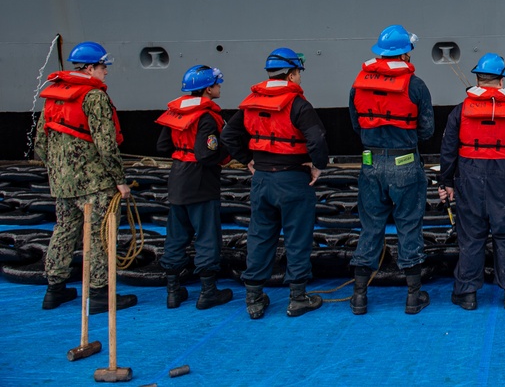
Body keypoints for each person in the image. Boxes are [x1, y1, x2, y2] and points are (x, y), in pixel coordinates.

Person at [220, 48, 328, 318]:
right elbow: (317, 139)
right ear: (291, 74)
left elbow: (229, 135)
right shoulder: (299, 105)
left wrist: (248, 160)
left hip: (263, 180)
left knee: (260, 236)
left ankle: (254, 299)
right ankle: (298, 297)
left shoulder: (251, 103)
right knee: (297, 236)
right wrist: (317, 166)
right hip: (293, 178)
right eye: (298, 74)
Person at [35, 41, 138, 313]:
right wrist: (120, 180)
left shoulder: (51, 96)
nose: (106, 73)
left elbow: (40, 145)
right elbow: (106, 144)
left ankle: (53, 290)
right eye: (104, 67)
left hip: (61, 184)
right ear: (91, 67)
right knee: (99, 236)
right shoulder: (94, 97)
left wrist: (58, 172)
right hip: (94, 184)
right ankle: (100, 295)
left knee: (63, 231)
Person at [438, 53, 505, 311]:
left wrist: (446, 182)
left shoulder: (460, 111)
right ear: (501, 80)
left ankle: (467, 294)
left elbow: (448, 149)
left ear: (477, 78)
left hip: (470, 176)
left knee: (471, 235)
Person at [348, 25, 434, 315]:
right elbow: (427, 130)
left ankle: (359, 297)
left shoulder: (358, 84)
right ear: (405, 53)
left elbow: (355, 124)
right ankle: (413, 296)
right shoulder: (416, 85)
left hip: (371, 162)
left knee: (371, 227)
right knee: (409, 226)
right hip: (405, 162)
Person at [155, 65, 233, 310]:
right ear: (208, 88)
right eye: (217, 84)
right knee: (207, 235)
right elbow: (205, 154)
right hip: (201, 182)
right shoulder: (207, 117)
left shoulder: (176, 113)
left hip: (177, 179)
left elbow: (162, 146)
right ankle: (208, 291)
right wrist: (227, 150)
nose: (220, 87)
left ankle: (173, 291)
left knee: (176, 236)